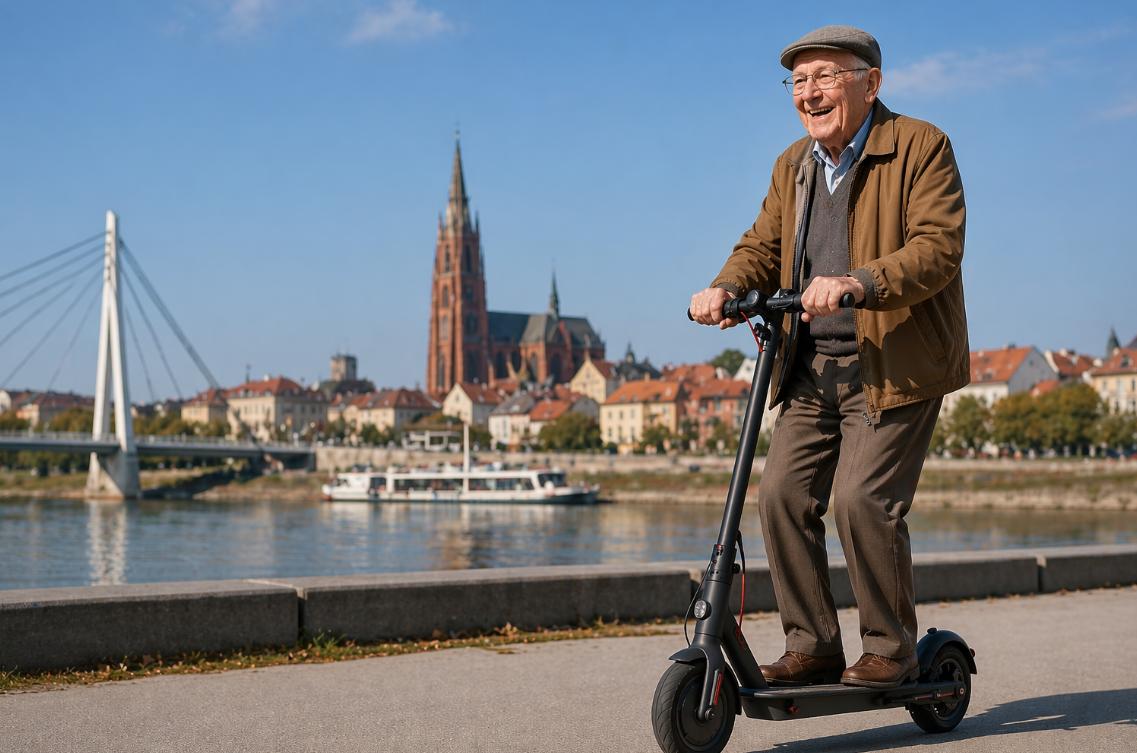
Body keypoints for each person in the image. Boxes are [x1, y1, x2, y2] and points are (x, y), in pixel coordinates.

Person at [689, 25, 968, 689]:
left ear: (870, 82)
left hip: (893, 365)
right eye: (797, 81)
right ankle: (811, 645)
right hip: (811, 367)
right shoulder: (794, 166)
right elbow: (761, 243)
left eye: (823, 76)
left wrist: (858, 281)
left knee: (861, 500)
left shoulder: (920, 147)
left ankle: (889, 649)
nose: (807, 92)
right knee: (780, 496)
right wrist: (727, 284)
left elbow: (937, 248)